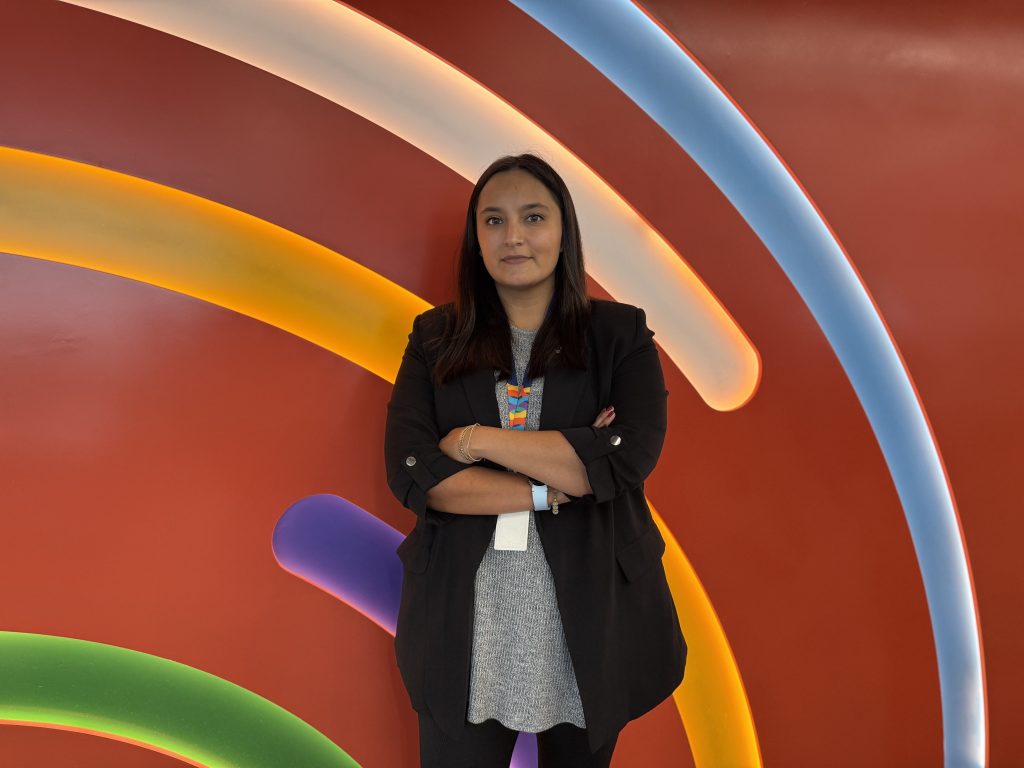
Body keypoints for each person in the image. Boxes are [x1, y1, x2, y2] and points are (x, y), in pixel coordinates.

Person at [384, 153, 686, 767]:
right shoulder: (434, 338)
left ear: (564, 231)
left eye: (533, 217)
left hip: (590, 626)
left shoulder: (619, 336)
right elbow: (415, 474)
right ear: (476, 239)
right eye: (494, 220)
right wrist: (559, 477)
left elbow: (627, 458)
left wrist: (475, 441)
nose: (513, 236)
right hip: (467, 630)